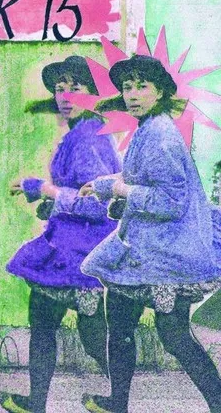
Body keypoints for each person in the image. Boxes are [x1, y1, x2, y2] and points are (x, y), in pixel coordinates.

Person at [80, 55, 221, 413]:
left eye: (142, 86)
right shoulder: (148, 127)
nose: (132, 94)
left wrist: (121, 191)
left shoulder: (161, 136)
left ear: (160, 92)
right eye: (127, 87)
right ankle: (118, 403)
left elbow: (170, 202)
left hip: (168, 254)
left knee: (174, 336)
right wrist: (102, 186)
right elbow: (137, 178)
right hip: (143, 250)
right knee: (120, 322)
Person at [0, 56, 121, 413]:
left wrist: (44, 189)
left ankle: (121, 401)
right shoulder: (82, 133)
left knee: (86, 336)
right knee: (55, 326)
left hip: (78, 255)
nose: (65, 96)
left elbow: (99, 204)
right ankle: (39, 402)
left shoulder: (88, 138)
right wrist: (50, 205)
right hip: (69, 248)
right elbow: (77, 194)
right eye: (59, 88)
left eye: (75, 88)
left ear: (93, 94)